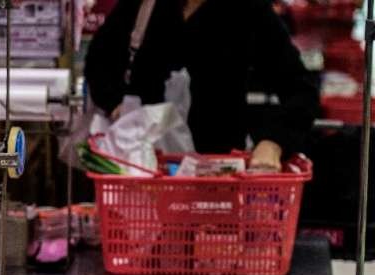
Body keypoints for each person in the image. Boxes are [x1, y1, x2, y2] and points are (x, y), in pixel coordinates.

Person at [84, 0, 319, 171]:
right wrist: (117, 105)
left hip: (218, 175)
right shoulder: (144, 5)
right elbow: (99, 61)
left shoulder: (249, 10)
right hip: (143, 172)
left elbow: (302, 90)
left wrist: (273, 143)